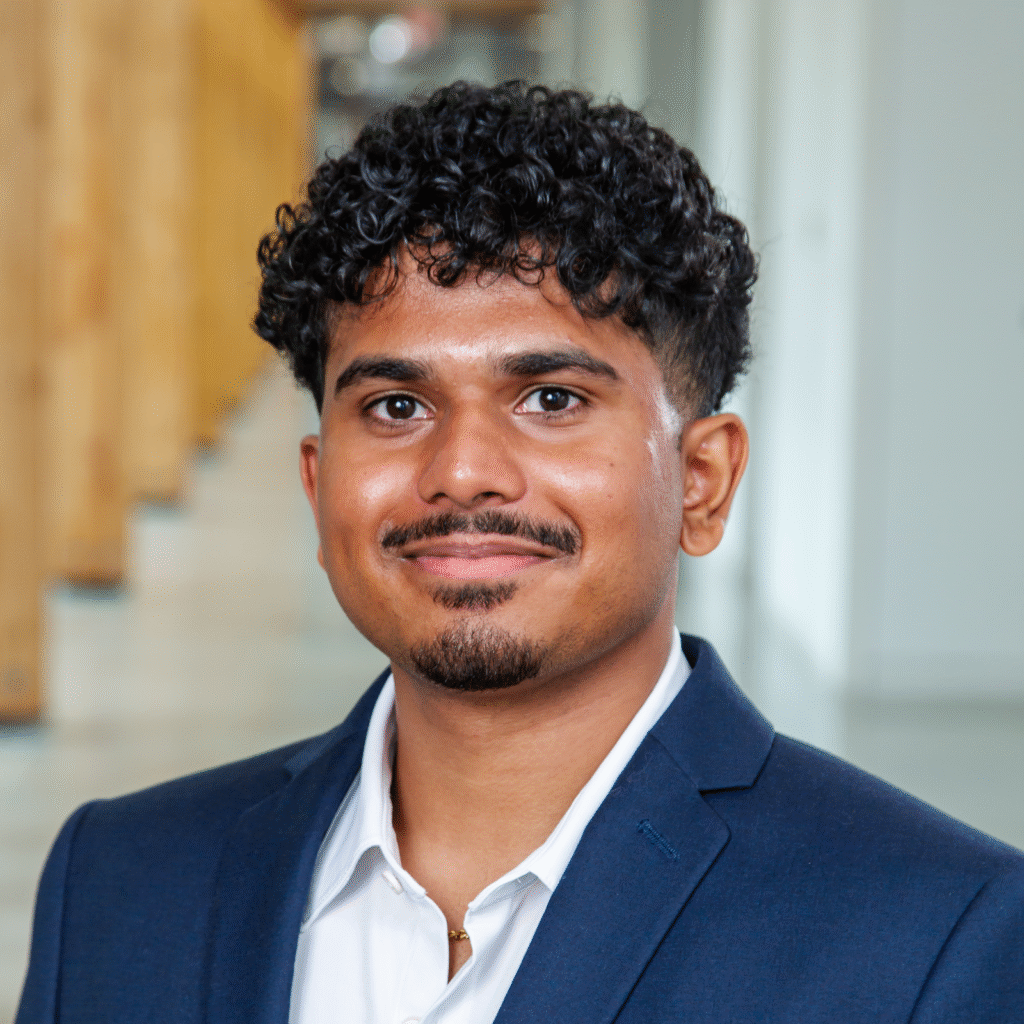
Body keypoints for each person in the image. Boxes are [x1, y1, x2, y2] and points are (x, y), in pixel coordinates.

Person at [17, 81, 1023, 1024]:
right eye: (396, 406)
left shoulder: (934, 939)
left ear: (703, 482)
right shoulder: (116, 883)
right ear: (319, 489)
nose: (462, 472)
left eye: (551, 398)